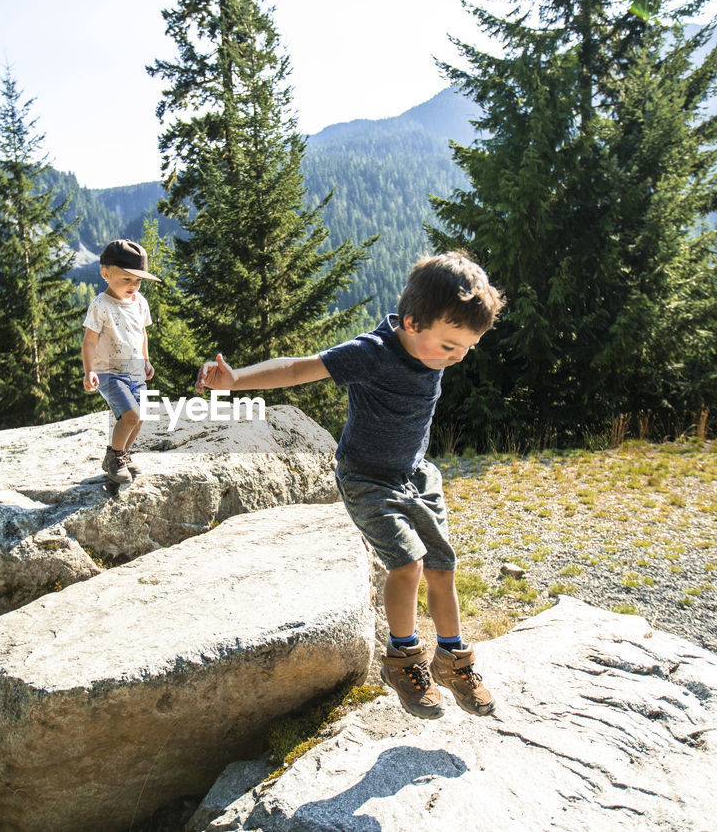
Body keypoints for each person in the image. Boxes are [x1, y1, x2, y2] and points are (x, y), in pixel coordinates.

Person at [196, 250, 506, 718]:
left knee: (443, 567)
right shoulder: (373, 353)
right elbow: (300, 368)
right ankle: (403, 660)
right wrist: (236, 380)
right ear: (412, 322)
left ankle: (454, 659)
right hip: (366, 478)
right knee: (408, 565)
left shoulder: (433, 347)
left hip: (416, 474)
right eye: (449, 346)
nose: (457, 357)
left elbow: (443, 356)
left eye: (467, 348)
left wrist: (446, 352)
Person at [82, 239, 160, 484]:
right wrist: (88, 371)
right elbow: (89, 341)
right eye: (126, 279)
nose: (133, 286)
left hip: (136, 370)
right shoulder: (101, 305)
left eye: (138, 280)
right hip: (110, 372)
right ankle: (114, 457)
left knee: (141, 415)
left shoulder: (140, 303)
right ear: (106, 273)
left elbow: (142, 333)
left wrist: (146, 360)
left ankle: (124, 454)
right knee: (130, 415)